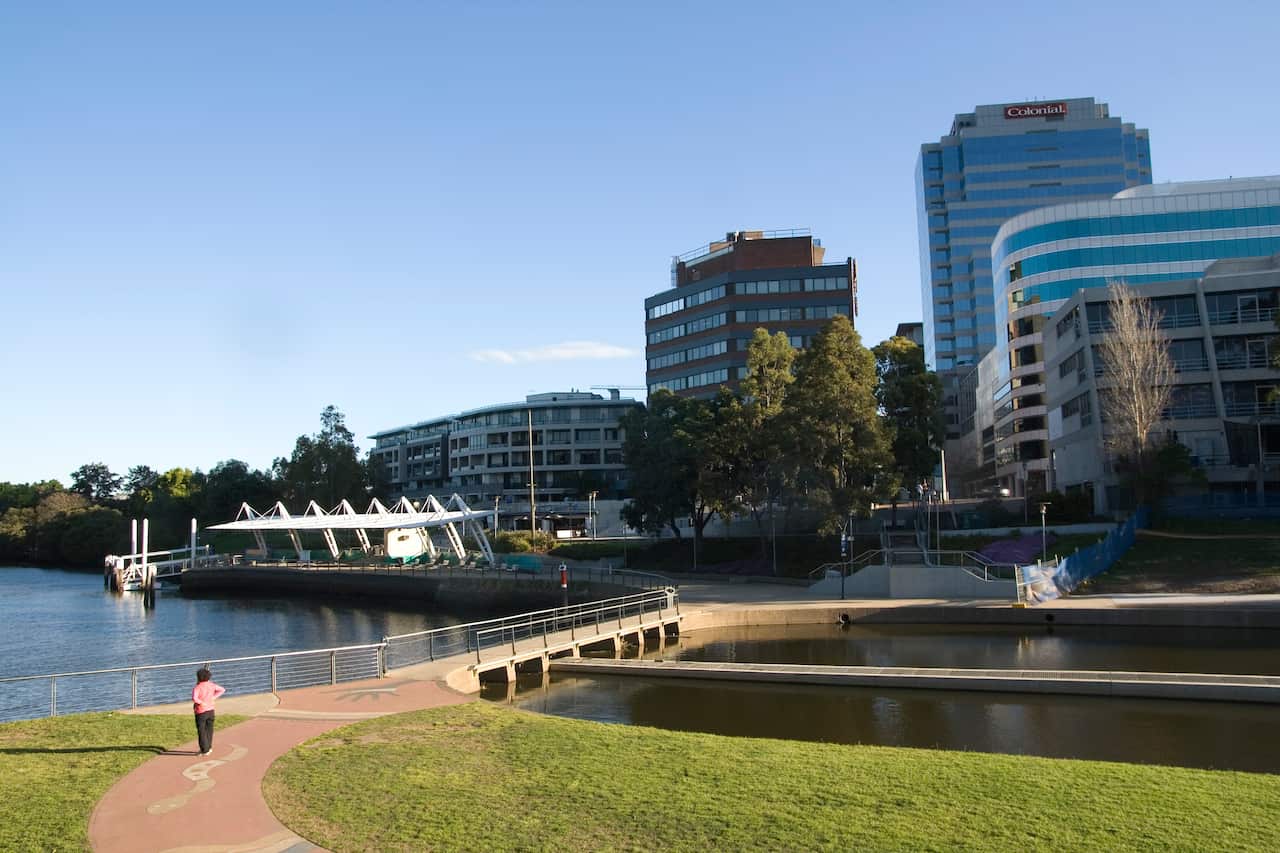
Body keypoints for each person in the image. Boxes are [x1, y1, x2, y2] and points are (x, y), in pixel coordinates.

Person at [192, 667, 226, 756]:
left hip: (201, 712)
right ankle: (209, 747)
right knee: (209, 730)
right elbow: (222, 690)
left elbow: (194, 698)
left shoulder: (197, 687)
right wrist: (213, 697)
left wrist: (201, 703)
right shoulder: (211, 685)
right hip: (211, 711)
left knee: (201, 731)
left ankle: (204, 750)